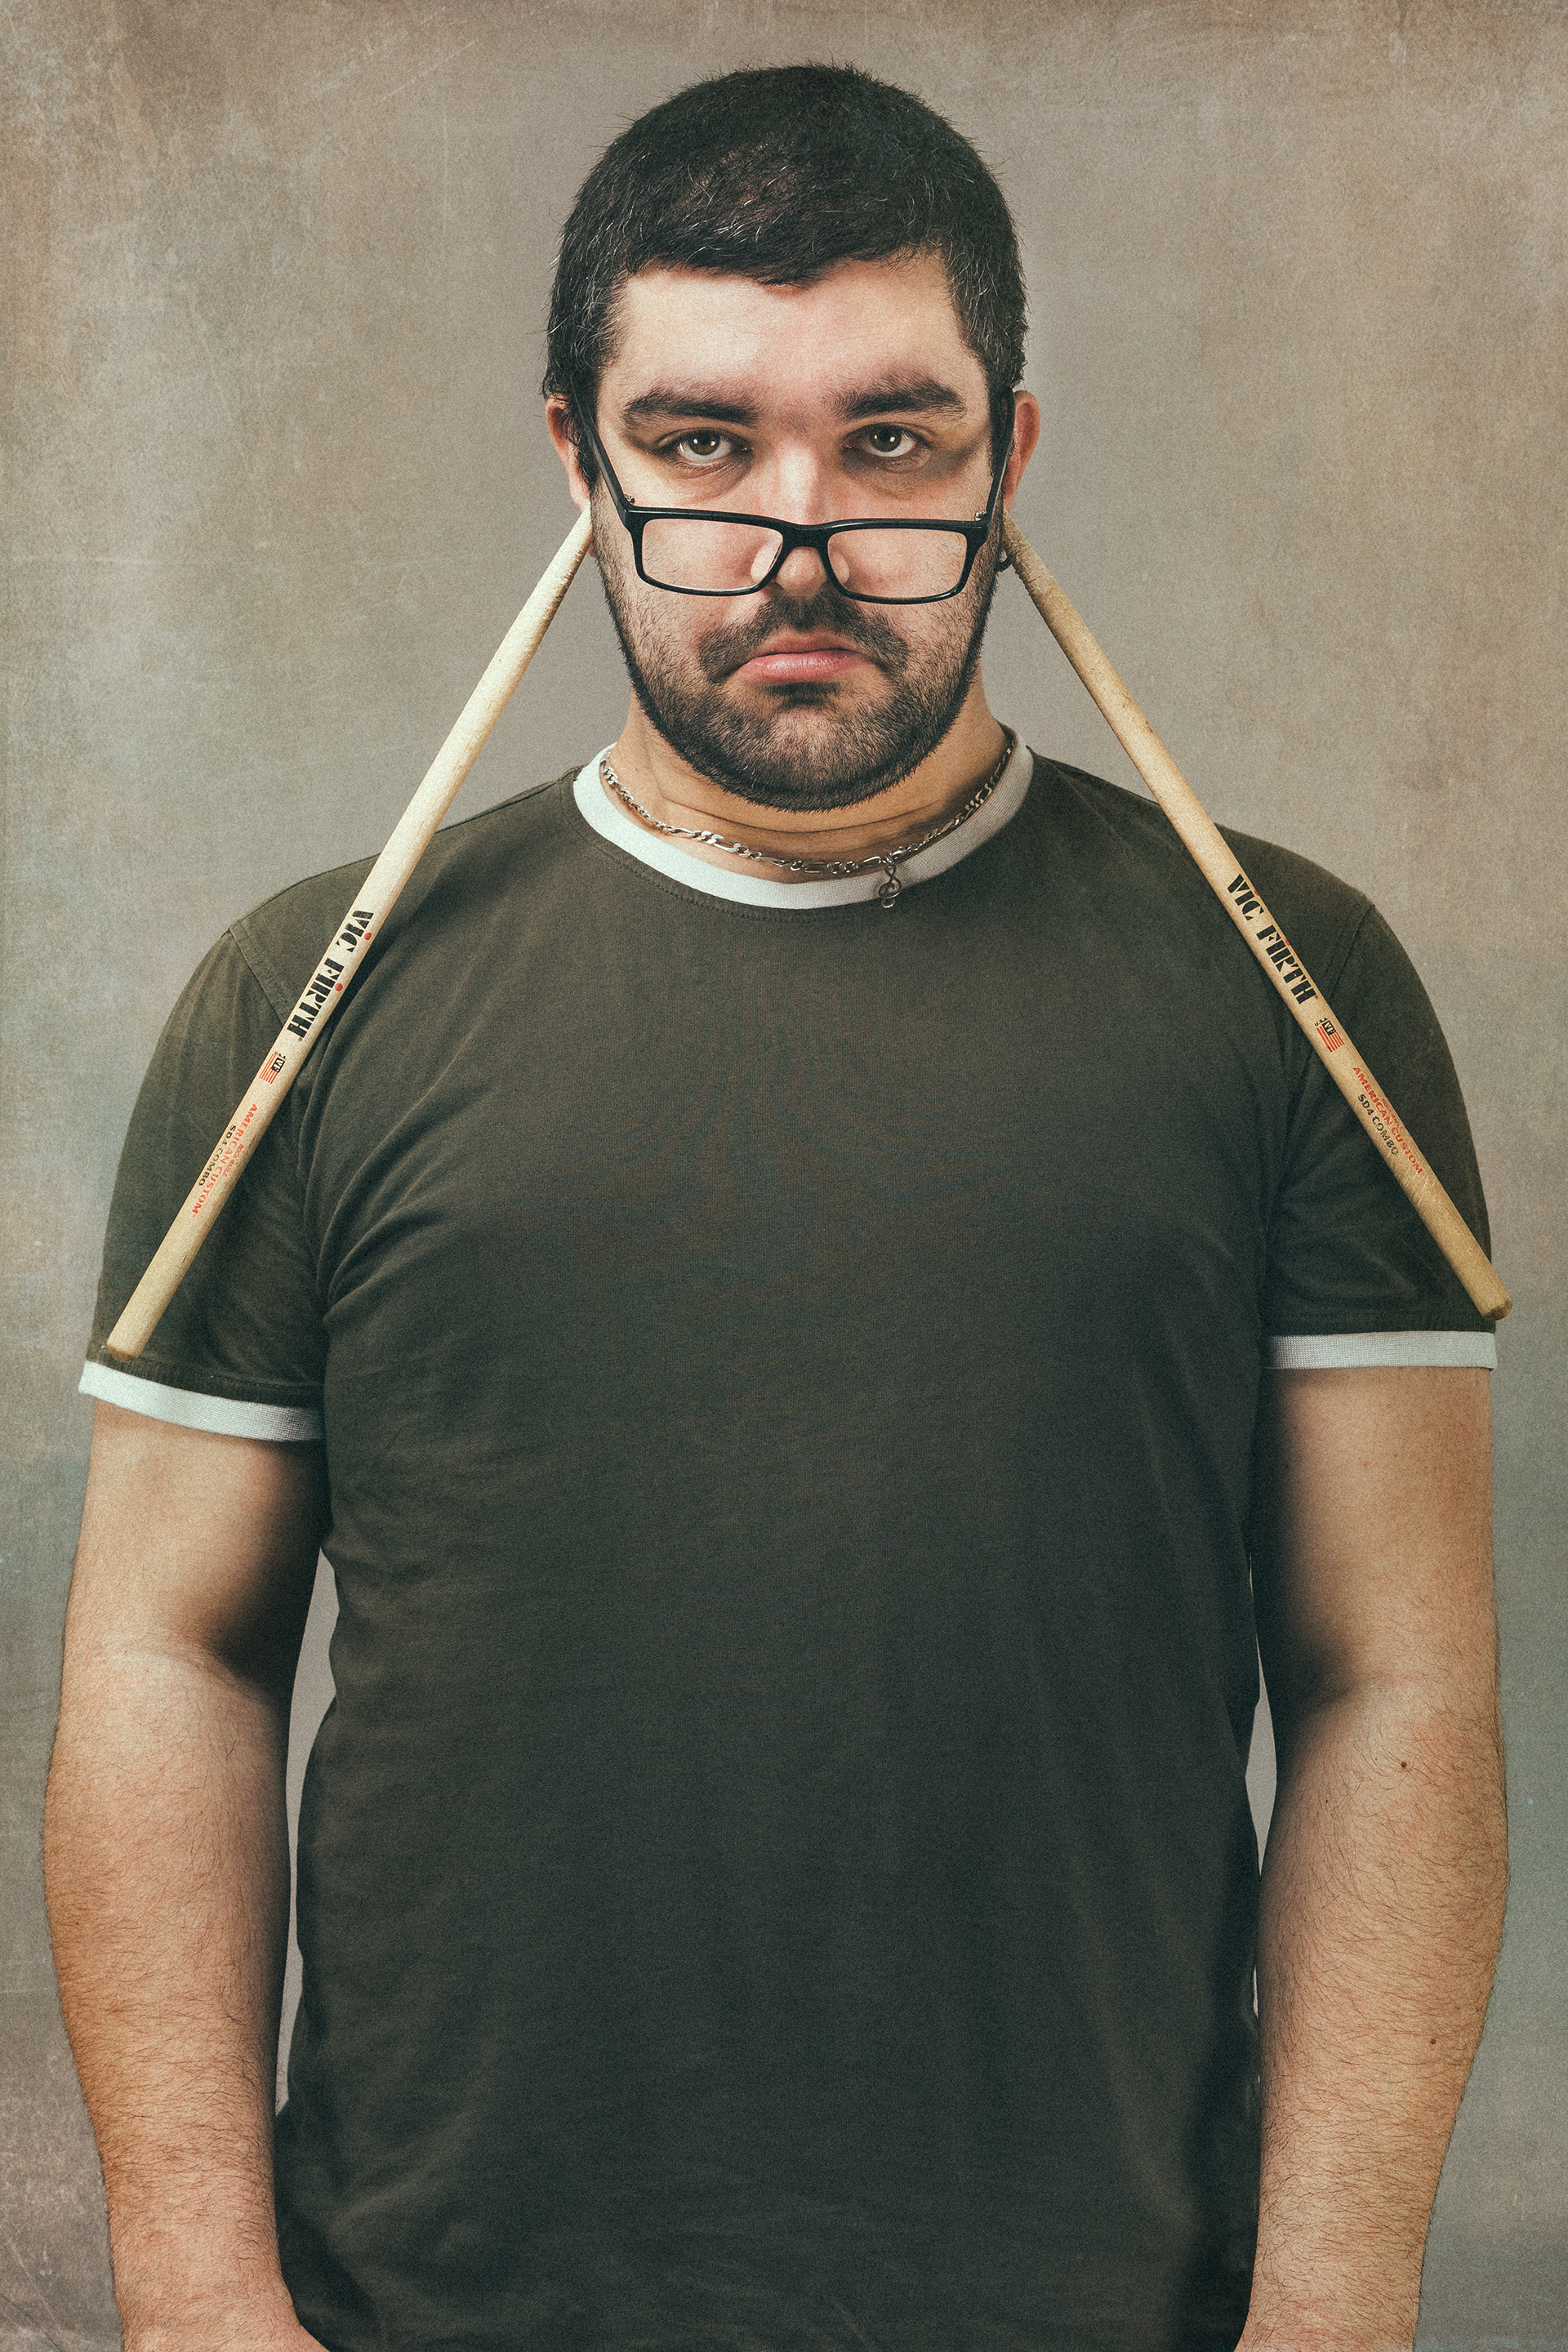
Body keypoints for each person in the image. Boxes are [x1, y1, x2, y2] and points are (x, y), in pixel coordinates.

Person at [46, 64, 1505, 2352]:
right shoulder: (305, 997)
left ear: (1010, 462)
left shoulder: (1289, 985)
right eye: (705, 445)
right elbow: (166, 1651)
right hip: (422, 2303)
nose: (800, 538)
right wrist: (197, 2298)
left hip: (1105, 2300)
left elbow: (1394, 1674)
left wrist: (1332, 2307)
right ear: (580, 464)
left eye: (892, 442)